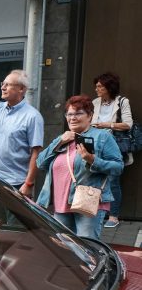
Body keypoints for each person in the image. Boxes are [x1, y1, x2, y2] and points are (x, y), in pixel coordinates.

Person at [36, 95, 122, 240]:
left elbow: (118, 167)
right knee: (65, 249)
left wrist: (92, 160)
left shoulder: (102, 137)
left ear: (90, 116)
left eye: (78, 113)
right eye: (69, 114)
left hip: (88, 202)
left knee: (86, 248)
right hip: (61, 204)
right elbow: (40, 163)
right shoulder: (63, 138)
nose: (73, 118)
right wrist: (60, 142)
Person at [92, 72, 133, 229]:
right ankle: (97, 212)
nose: (97, 89)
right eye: (96, 86)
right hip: (96, 144)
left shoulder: (122, 102)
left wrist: (106, 125)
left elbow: (127, 124)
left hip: (113, 145)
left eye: (100, 86)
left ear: (109, 87)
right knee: (95, 179)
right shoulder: (95, 102)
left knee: (113, 181)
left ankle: (113, 216)